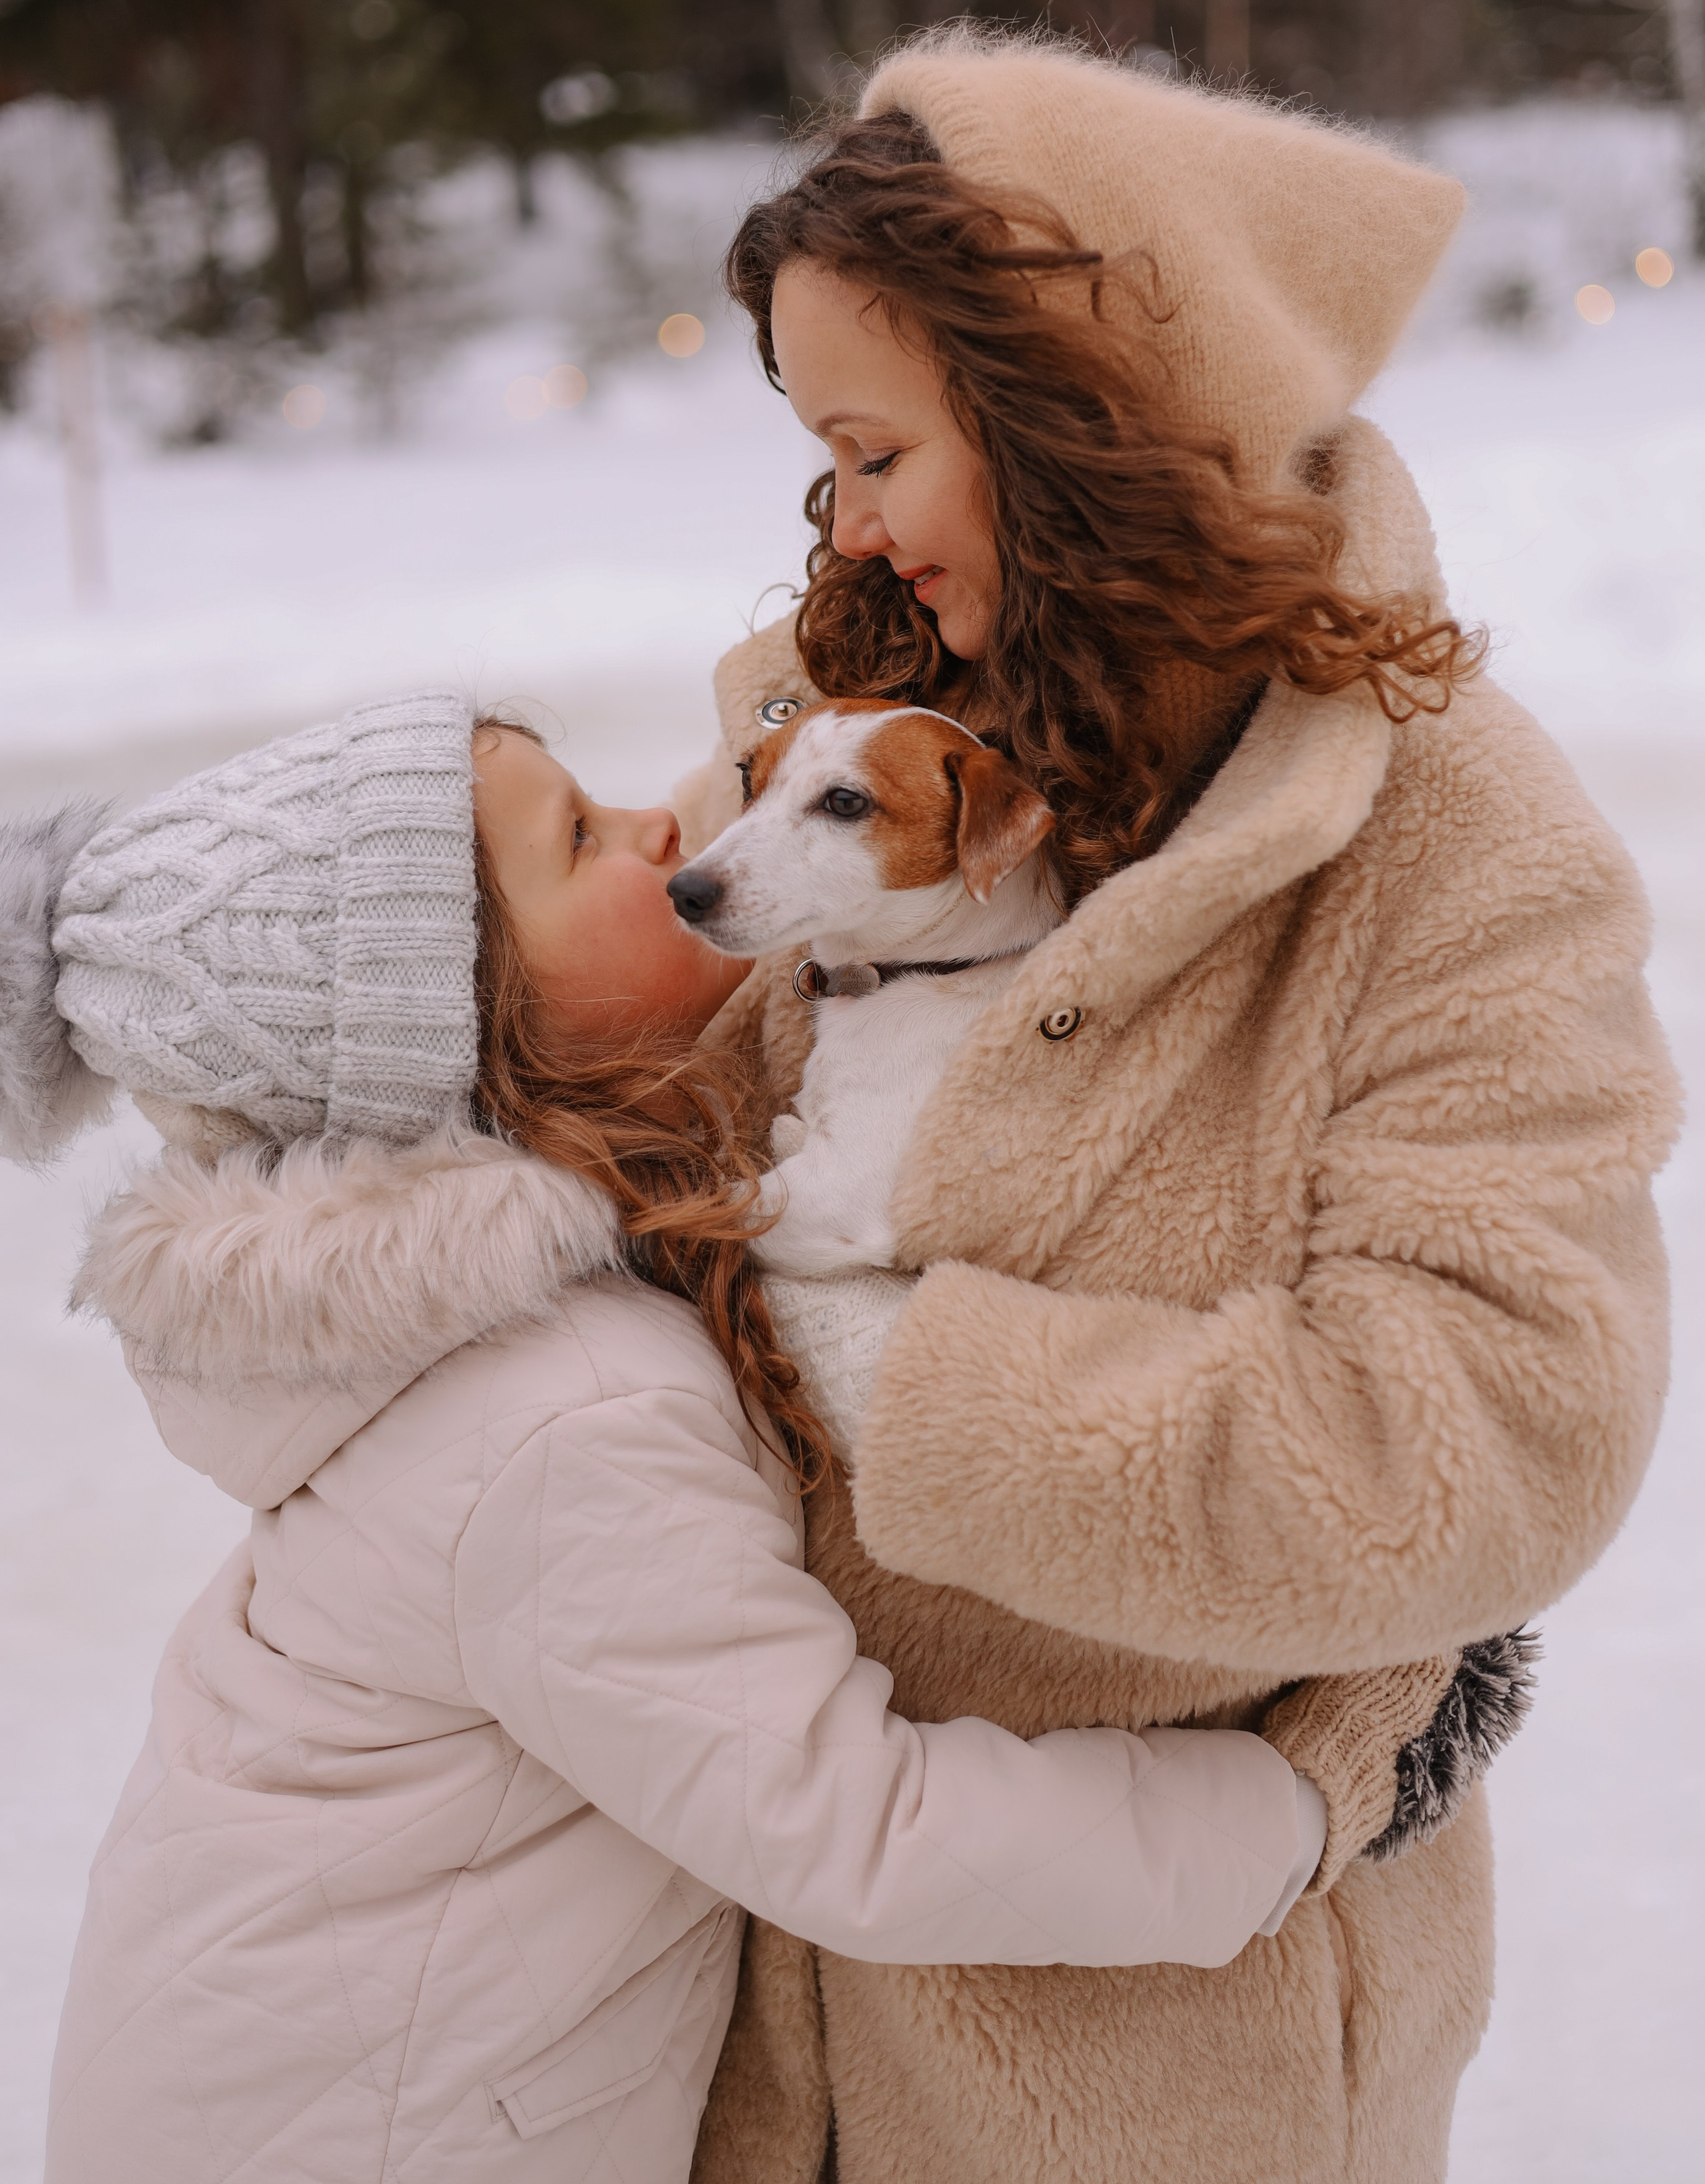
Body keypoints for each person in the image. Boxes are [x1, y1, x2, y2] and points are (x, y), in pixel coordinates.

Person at [673, 32, 1680, 2184]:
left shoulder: (1453, 852)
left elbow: (1479, 1439)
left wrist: (892, 1373)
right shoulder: (856, 733)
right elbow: (570, 1064)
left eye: (877, 450)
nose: (848, 523)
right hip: (729, 2040)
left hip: (1157, 2068)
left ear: (1081, 423)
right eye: (825, 463)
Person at [1, 692, 1351, 2184]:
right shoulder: (566, 1417)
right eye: (581, 840)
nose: (666, 824)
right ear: (473, 1020)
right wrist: (1294, 1811)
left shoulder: (493, 1323)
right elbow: (849, 1826)